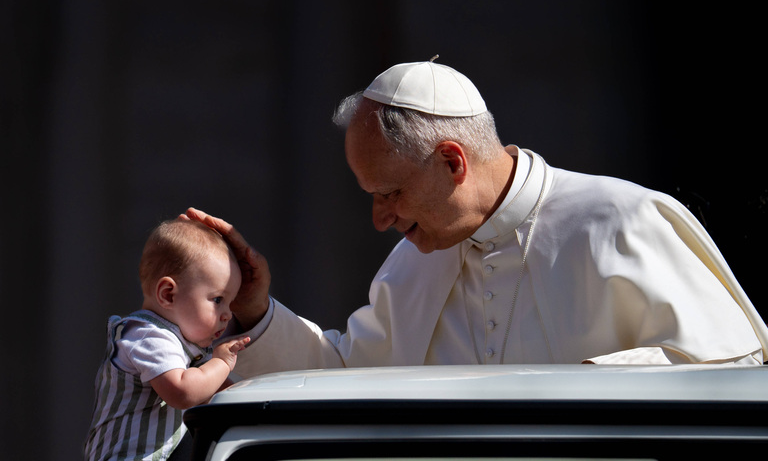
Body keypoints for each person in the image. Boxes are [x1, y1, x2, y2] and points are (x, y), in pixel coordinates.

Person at [187, 60, 767, 378]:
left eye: (389, 192)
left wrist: (589, 388)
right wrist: (255, 310)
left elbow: (730, 368)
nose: (380, 220)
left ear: (451, 161)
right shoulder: (414, 262)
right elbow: (345, 376)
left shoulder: (617, 219)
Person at [84, 218, 250, 461]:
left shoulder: (182, 345)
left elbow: (212, 392)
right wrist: (222, 363)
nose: (227, 314)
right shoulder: (148, 336)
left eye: (229, 303)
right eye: (217, 299)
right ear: (168, 294)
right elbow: (184, 391)